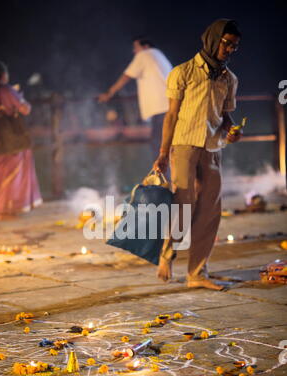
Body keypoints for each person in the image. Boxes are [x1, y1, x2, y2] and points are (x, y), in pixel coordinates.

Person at [153, 19, 242, 291]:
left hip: (213, 147)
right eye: (226, 43)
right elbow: (171, 115)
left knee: (210, 211)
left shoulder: (229, 79)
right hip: (184, 145)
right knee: (184, 202)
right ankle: (167, 253)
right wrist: (163, 153)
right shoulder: (184, 72)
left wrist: (232, 131)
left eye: (234, 46)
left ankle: (197, 273)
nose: (229, 49)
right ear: (213, 40)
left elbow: (224, 115)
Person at [98, 36, 173, 157]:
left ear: (146, 46)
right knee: (167, 144)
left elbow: (126, 76)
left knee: (158, 145)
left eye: (135, 48)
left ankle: (162, 175)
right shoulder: (159, 56)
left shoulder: (144, 54)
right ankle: (170, 174)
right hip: (171, 105)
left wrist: (109, 93)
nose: (134, 51)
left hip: (161, 108)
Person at [0, 61, 42, 220]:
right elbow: (25, 109)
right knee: (11, 171)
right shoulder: (6, 90)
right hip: (6, 137)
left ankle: (1, 209)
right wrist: (19, 97)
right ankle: (5, 210)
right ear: (4, 75)